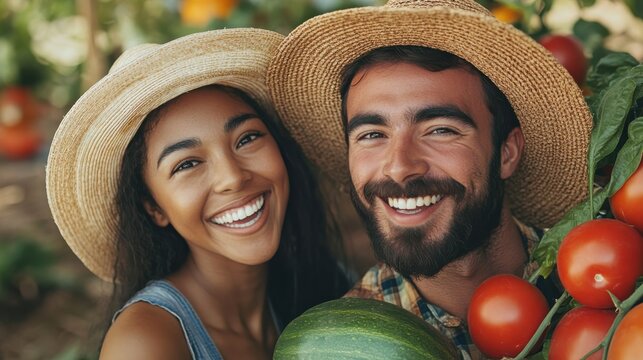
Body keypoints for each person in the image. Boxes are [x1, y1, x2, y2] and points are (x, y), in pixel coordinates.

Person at [266, 0, 593, 358]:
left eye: (439, 130)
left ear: (506, 153)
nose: (399, 166)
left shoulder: (608, 285)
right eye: (372, 135)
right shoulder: (340, 350)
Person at [46, 28, 348, 359]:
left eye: (247, 139)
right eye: (187, 164)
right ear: (153, 207)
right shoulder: (144, 344)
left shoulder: (323, 286)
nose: (232, 177)